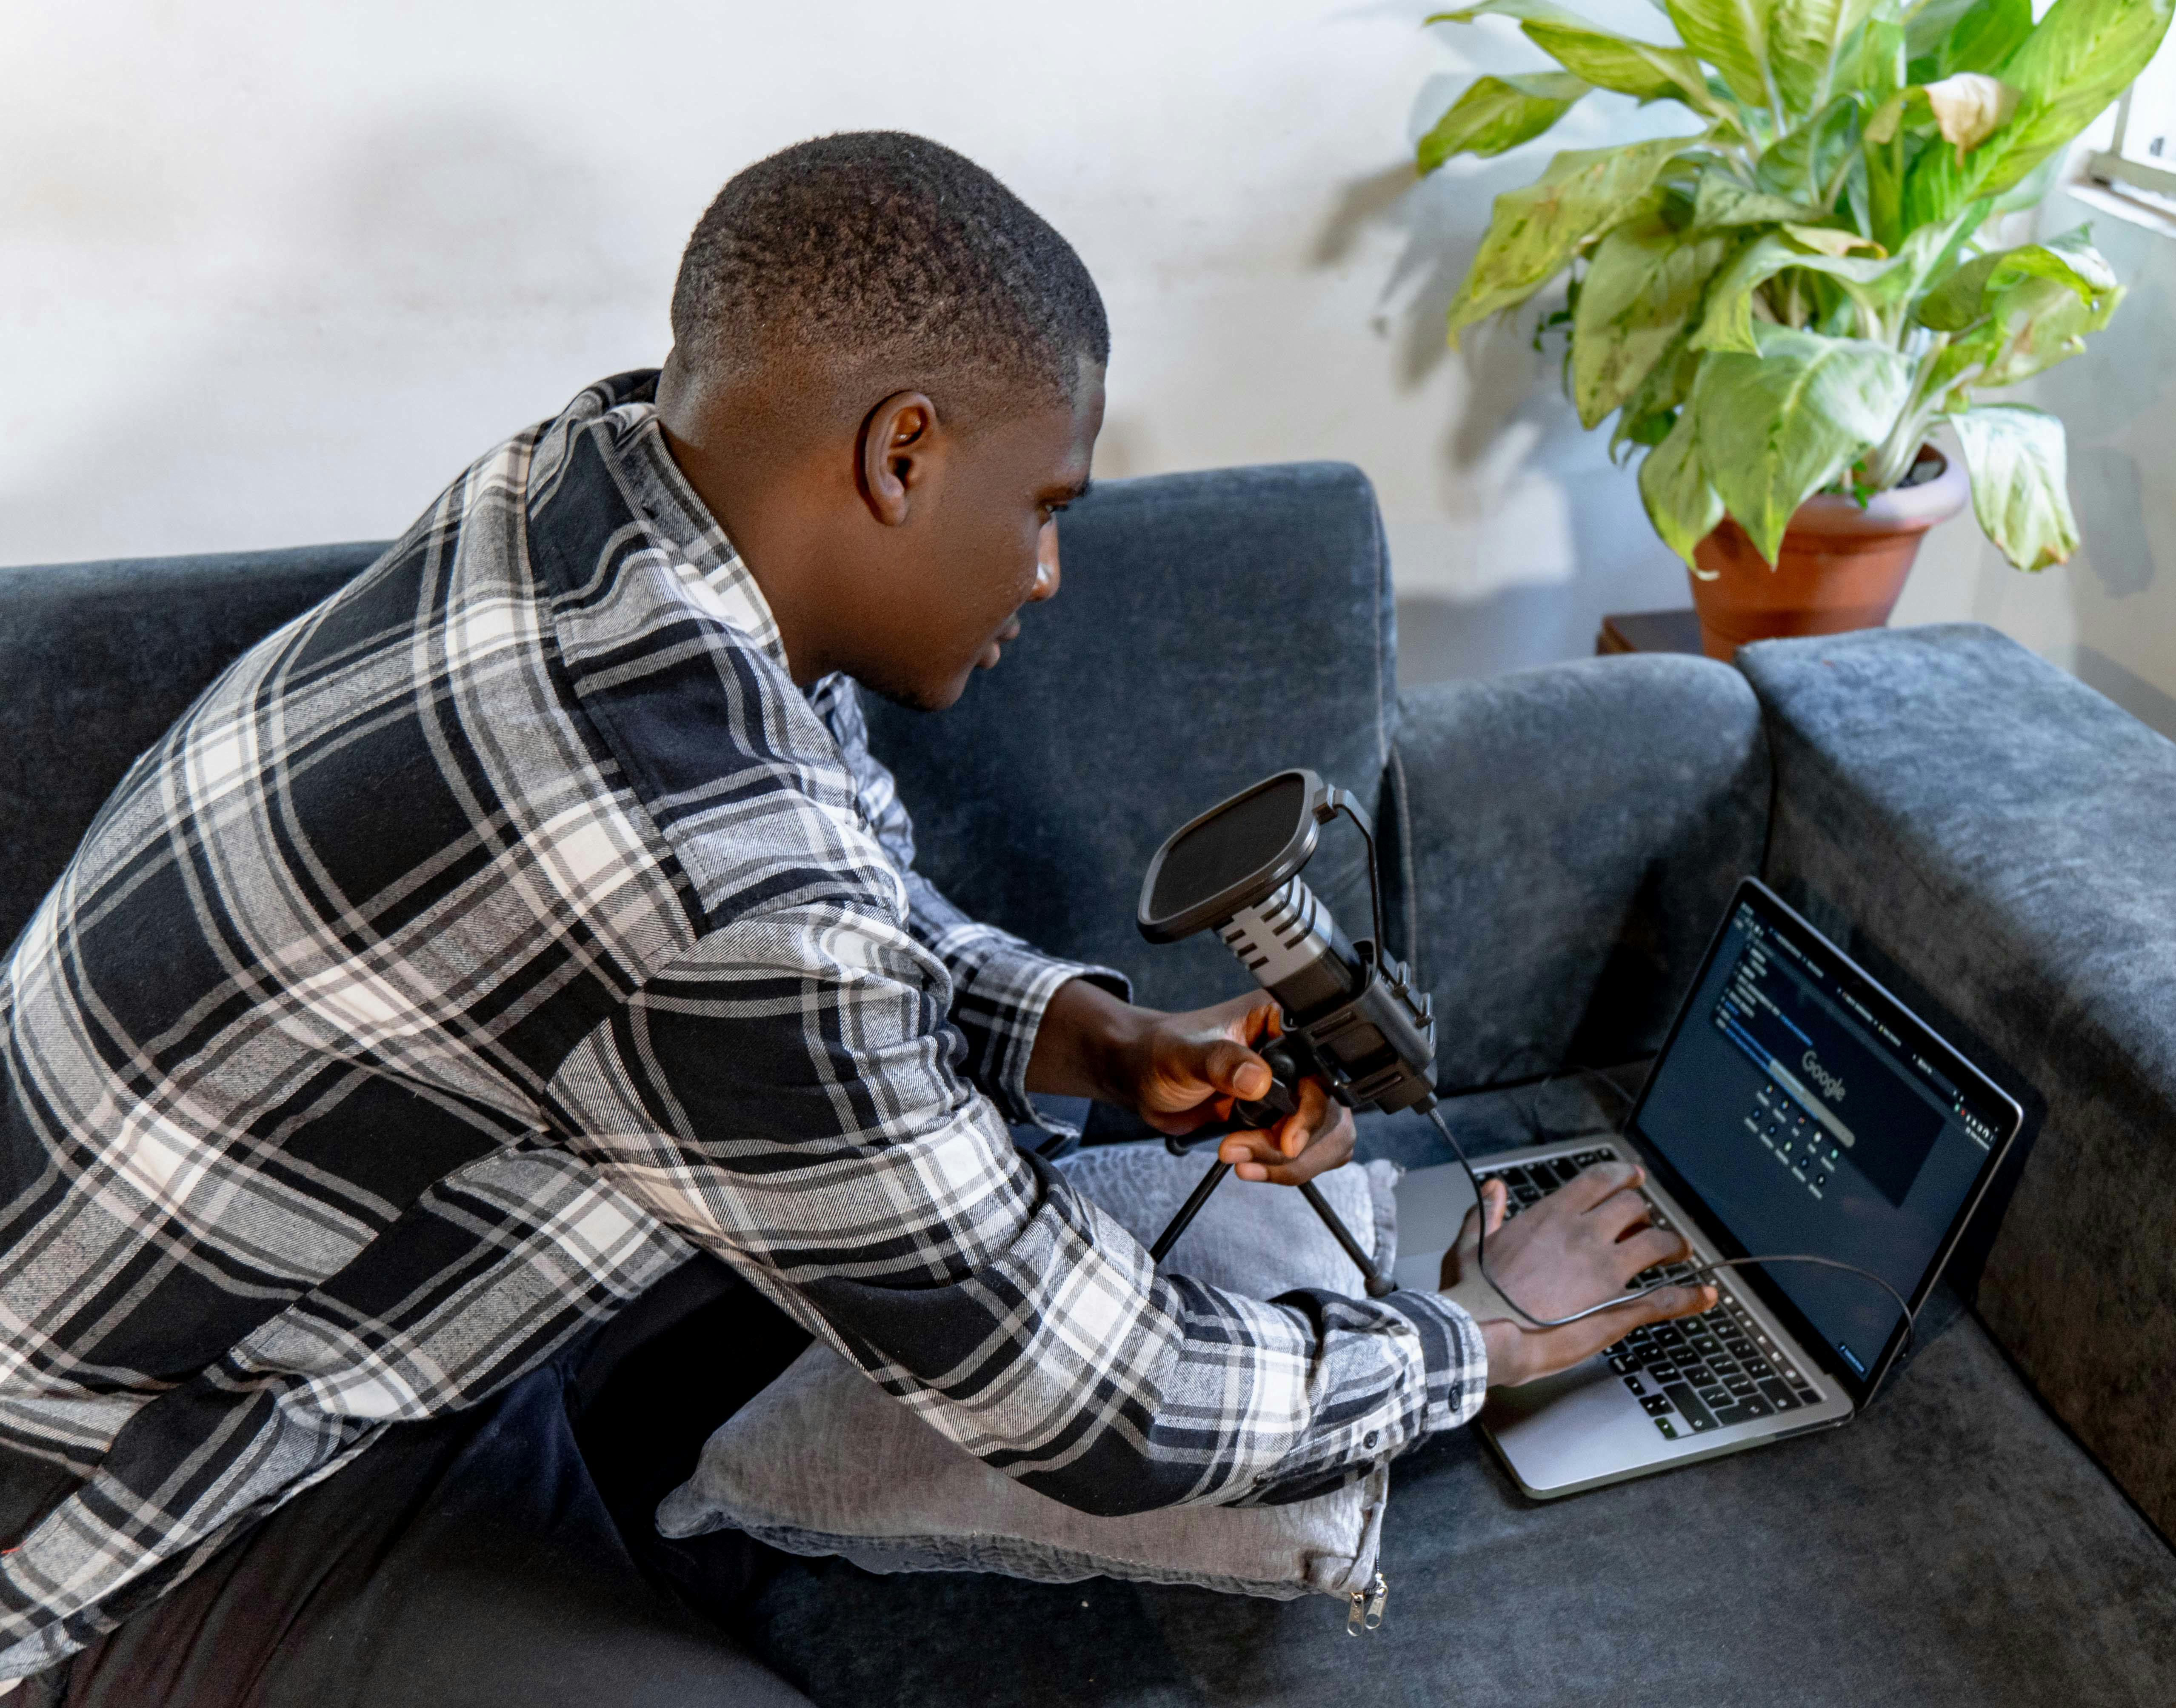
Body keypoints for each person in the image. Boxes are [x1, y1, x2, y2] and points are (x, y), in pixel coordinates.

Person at [0, 132, 1711, 1706]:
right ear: (903, 451)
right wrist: (1480, 1337)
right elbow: (1093, 1400)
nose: (1046, 576)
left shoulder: (596, 498)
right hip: (160, 1515)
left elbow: (849, 883)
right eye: (1046, 507)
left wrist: (1088, 1033)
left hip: (337, 1313)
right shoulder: (703, 874)